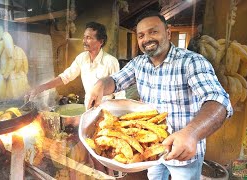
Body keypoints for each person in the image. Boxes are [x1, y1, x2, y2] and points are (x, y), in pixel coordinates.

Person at [87, 11, 233, 180]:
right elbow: (115, 80)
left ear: (168, 33)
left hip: (184, 153)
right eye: (141, 35)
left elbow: (218, 101)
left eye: (153, 31)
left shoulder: (192, 62)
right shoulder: (138, 63)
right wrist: (101, 85)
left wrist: (192, 134)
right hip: (151, 152)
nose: (146, 39)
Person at [26, 21, 125, 107]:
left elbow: (119, 93)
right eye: (84, 37)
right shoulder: (82, 58)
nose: (84, 41)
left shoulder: (111, 61)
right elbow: (65, 77)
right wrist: (42, 87)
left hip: (106, 109)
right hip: (89, 108)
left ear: (101, 41)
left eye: (89, 38)